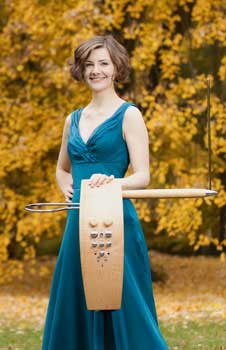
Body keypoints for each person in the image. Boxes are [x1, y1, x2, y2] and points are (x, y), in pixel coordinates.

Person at [42, 34, 169, 350]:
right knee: (77, 292)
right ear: (82, 70)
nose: (95, 70)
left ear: (116, 68)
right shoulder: (72, 119)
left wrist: (113, 183)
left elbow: (142, 176)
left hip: (115, 220)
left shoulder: (129, 115)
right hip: (78, 221)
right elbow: (62, 168)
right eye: (89, 65)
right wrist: (63, 183)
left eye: (103, 63)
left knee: (121, 297)